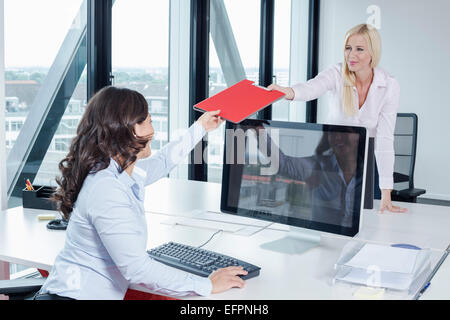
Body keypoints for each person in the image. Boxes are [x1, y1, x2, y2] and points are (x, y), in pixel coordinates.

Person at [36, 86, 247, 300]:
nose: (153, 131)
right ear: (126, 129)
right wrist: (207, 284)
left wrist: (201, 127)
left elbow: (164, 161)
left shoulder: (114, 170)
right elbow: (137, 268)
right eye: (147, 121)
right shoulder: (106, 189)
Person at [268, 23, 407, 214]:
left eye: (359, 49)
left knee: (369, 218)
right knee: (329, 214)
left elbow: (384, 140)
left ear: (373, 53)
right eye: (348, 48)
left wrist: (386, 193)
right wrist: (289, 92)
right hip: (333, 159)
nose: (351, 55)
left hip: (365, 161)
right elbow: (312, 87)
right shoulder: (337, 73)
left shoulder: (389, 85)